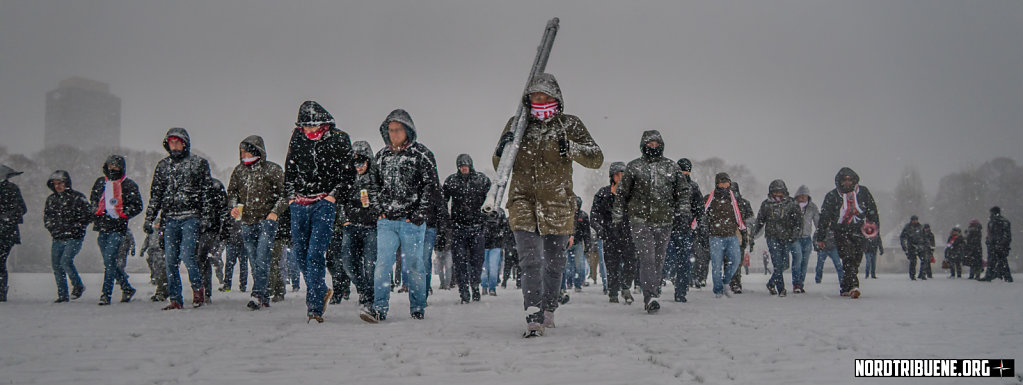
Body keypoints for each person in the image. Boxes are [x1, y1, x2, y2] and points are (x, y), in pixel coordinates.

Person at [492, 73, 603, 336]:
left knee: (554, 263)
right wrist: (502, 150)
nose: (539, 101)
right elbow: (501, 166)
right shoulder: (518, 124)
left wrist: (571, 148)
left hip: (557, 203)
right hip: (522, 201)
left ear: (556, 98)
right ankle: (533, 313)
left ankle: (549, 308)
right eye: (534, 97)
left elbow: (596, 158)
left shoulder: (569, 125)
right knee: (530, 261)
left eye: (544, 97)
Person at [360, 109, 437, 323]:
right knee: (382, 265)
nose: (394, 134)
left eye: (398, 130)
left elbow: (431, 187)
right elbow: (372, 185)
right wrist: (377, 210)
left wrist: (420, 213)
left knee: (414, 266)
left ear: (408, 131)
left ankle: (418, 307)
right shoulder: (381, 156)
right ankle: (379, 308)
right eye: (390, 130)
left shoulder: (421, 154)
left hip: (412, 221)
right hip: (387, 221)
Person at [284, 101, 355, 322]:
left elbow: (349, 174)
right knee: (300, 255)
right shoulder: (297, 137)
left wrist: (333, 195)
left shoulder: (339, 138)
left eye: (313, 126)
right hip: (299, 202)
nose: (310, 131)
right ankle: (322, 289)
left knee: (315, 253)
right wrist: (291, 197)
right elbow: (290, 169)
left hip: (324, 201)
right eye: (306, 127)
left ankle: (314, 308)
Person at [613, 130, 689, 313]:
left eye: (656, 144)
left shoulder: (671, 167)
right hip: (640, 220)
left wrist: (683, 211)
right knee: (647, 258)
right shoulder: (634, 167)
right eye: (650, 144)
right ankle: (650, 296)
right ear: (643, 146)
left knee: (658, 260)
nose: (653, 148)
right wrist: (617, 215)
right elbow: (622, 193)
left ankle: (653, 289)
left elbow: (683, 192)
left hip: (664, 220)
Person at [145, 128, 214, 309]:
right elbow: (156, 195)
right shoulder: (162, 166)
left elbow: (207, 193)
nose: (174, 146)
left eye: (177, 142)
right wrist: (149, 217)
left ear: (185, 144)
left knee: (188, 255)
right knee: (170, 259)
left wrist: (206, 217)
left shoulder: (198, 164)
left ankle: (198, 289)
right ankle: (175, 298)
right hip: (170, 218)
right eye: (171, 142)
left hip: (191, 216)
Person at [226, 135, 286, 309]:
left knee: (262, 257)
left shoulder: (272, 170)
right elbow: (232, 192)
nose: (243, 155)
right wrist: (233, 206)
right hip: (246, 222)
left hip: (266, 221)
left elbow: (285, 193)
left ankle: (257, 294)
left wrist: (275, 212)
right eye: (241, 153)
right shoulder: (239, 171)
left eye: (246, 152)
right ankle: (264, 294)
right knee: (254, 260)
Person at [816, 167, 879, 298]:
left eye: (850, 180)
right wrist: (820, 236)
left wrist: (873, 229)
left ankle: (845, 286)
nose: (847, 183)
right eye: (844, 180)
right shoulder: (832, 196)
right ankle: (854, 286)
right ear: (839, 181)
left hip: (859, 230)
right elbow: (824, 217)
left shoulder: (863, 193)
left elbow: (872, 211)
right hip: (840, 231)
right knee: (848, 256)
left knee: (856, 258)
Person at [90, 155, 144, 305]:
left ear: (122, 168)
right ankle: (126, 287)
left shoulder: (128, 185)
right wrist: (96, 211)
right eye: (110, 165)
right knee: (110, 262)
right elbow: (93, 200)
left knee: (109, 260)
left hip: (118, 228)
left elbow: (138, 205)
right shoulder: (101, 182)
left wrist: (124, 213)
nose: (112, 169)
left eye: (116, 166)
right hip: (102, 227)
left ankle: (105, 294)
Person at [334, 140, 380, 310]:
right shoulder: (347, 177)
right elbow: (340, 200)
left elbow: (382, 200)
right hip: (351, 225)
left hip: (371, 227)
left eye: (361, 162)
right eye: (355, 162)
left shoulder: (376, 177)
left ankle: (370, 296)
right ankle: (363, 290)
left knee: (370, 264)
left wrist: (372, 205)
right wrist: (345, 219)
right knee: (348, 262)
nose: (358, 166)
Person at [443, 153, 491, 303]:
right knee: (459, 261)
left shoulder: (482, 180)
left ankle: (475, 285)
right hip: (458, 227)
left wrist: (488, 215)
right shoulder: (451, 181)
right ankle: (463, 290)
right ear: (458, 167)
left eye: (466, 166)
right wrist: (445, 219)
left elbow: (492, 196)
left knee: (477, 261)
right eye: (461, 166)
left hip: (477, 226)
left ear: (470, 166)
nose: (464, 169)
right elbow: (443, 200)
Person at [44, 170, 92, 302]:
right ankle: (62, 295)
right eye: (55, 184)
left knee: (65, 261)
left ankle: (77, 285)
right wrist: (53, 229)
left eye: (60, 183)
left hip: (74, 237)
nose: (57, 186)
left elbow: (87, 216)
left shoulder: (77, 197)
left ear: (66, 183)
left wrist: (76, 228)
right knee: (56, 265)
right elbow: (47, 218)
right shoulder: (51, 200)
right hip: (57, 237)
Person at [591, 162, 636, 304]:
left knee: (631, 263)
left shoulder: (632, 194)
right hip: (609, 236)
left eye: (623, 175)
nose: (620, 178)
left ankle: (626, 288)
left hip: (628, 235)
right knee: (611, 265)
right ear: (612, 177)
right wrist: (601, 229)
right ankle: (613, 292)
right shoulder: (603, 194)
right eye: (617, 175)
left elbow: (639, 213)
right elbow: (594, 216)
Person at [750, 180, 802, 297]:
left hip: (787, 237)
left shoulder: (792, 203)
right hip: (772, 237)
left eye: (780, 192)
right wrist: (752, 235)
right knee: (777, 263)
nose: (777, 195)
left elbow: (798, 222)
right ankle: (781, 289)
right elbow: (760, 221)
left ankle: (771, 283)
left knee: (784, 265)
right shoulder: (766, 205)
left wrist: (794, 234)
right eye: (775, 192)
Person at [664, 158, 702, 303]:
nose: (685, 174)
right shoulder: (669, 186)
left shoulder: (693, 187)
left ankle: (681, 291)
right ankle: (661, 283)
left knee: (685, 262)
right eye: (682, 171)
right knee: (668, 260)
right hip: (669, 230)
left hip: (686, 231)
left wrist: (700, 226)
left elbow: (699, 210)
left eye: (687, 172)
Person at [0, 165, 26, 302]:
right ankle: (1, 290)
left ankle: (1, 291)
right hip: (8, 232)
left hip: (5, 233)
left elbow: (20, 209)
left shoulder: (11, 189)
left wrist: (5, 218)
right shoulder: (12, 189)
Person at [792, 185, 819, 292]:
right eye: (801, 196)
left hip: (807, 238)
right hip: (795, 238)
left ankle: (801, 283)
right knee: (797, 260)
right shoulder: (792, 207)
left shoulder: (812, 207)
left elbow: (817, 221)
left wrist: (821, 233)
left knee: (805, 262)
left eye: (805, 196)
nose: (803, 198)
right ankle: (796, 284)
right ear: (797, 196)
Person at [564, 197, 591, 294]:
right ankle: (569, 282)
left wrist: (588, 244)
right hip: (566, 242)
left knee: (579, 265)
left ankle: (578, 283)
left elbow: (587, 232)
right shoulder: (567, 215)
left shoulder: (583, 216)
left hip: (578, 243)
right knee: (567, 265)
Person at [979, 206, 1013, 282]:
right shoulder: (1003, 221)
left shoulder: (994, 222)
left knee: (995, 261)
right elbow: (1007, 235)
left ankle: (991, 276)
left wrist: (990, 242)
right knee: (1001, 261)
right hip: (999, 245)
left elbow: (992, 234)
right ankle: (1005, 277)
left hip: (996, 245)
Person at [482, 208, 510, 296]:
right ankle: (485, 286)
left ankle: (491, 288)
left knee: (492, 267)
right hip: (486, 244)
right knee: (485, 267)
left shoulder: (500, 212)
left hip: (494, 244)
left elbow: (505, 228)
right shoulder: (483, 211)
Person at [139, 221, 168, 302]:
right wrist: (143, 250)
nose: (157, 225)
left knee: (161, 270)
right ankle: (155, 279)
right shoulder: (151, 232)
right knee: (154, 267)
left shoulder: (163, 231)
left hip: (160, 251)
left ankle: (162, 290)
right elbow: (146, 241)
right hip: (152, 252)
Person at [900, 215, 927, 280]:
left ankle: (922, 274)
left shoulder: (920, 227)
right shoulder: (907, 227)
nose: (915, 221)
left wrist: (925, 244)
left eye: (916, 220)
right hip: (911, 246)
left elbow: (924, 237)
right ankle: (912, 275)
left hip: (920, 246)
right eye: (913, 220)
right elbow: (903, 237)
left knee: (924, 260)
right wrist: (904, 246)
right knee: (913, 261)